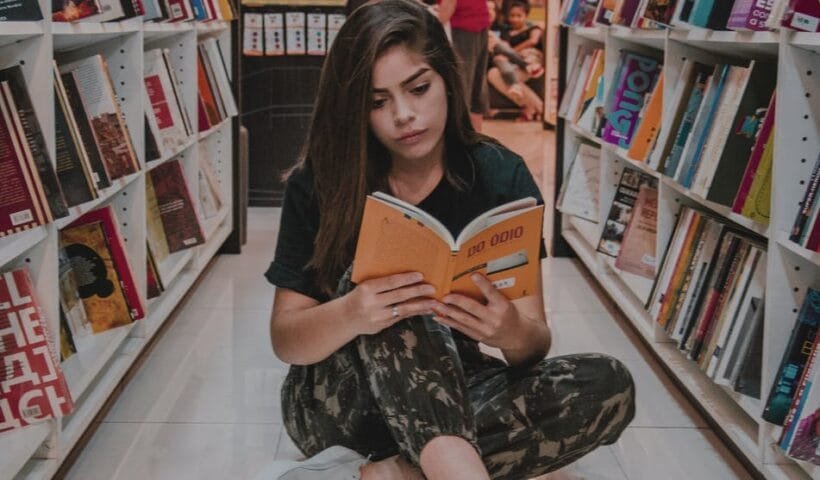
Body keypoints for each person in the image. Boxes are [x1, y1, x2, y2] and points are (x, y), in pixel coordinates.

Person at [263, 1, 635, 479]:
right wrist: (354, 311)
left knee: (608, 384)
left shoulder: (502, 175)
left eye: (418, 89)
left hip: (454, 391)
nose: (403, 115)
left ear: (447, 78)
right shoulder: (318, 182)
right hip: (339, 408)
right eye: (377, 102)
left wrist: (509, 331)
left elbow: (534, 342)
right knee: (403, 298)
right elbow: (286, 340)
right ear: (355, 108)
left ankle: (392, 473)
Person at [435, 0, 492, 132]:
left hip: (462, 28)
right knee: (476, 88)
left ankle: (462, 140)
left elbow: (449, 4)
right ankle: (476, 141)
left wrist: (431, 27)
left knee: (461, 87)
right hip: (481, 22)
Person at [486, 0, 545, 120]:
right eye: (512, 16)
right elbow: (503, 47)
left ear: (526, 15)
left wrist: (512, 52)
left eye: (519, 16)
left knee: (496, 73)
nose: (515, 19)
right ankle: (538, 107)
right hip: (510, 65)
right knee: (493, 73)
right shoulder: (505, 31)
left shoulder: (534, 28)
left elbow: (533, 41)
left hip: (530, 60)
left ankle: (537, 107)